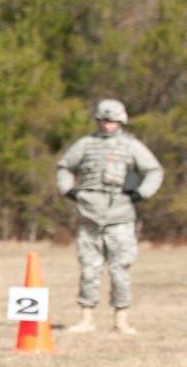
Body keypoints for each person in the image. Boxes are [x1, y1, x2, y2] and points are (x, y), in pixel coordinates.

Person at [56, 99, 164, 334]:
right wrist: (70, 191)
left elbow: (154, 171)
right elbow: (64, 167)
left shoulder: (131, 146)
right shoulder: (85, 144)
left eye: (112, 121)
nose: (107, 125)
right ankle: (86, 318)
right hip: (89, 216)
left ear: (121, 121)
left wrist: (141, 193)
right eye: (103, 120)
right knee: (89, 270)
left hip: (120, 218)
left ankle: (121, 320)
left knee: (120, 270)